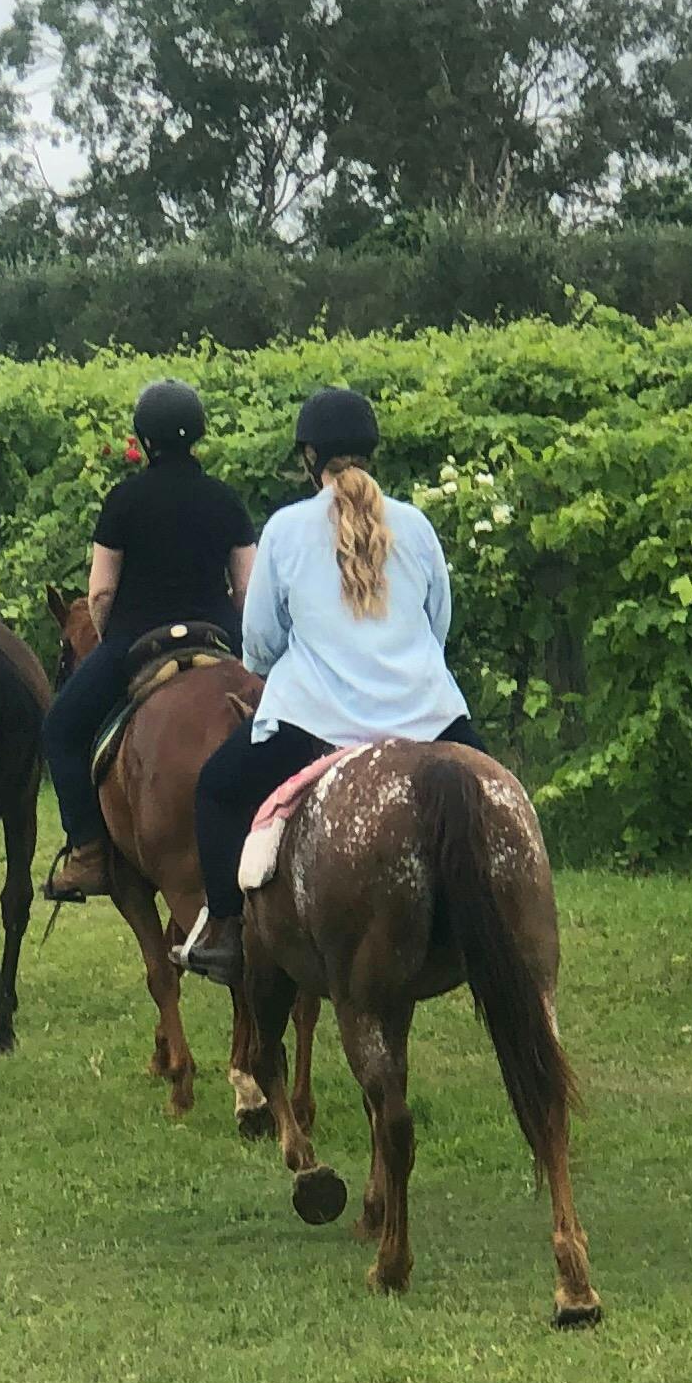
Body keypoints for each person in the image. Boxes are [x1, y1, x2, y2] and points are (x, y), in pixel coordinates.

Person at [178, 388, 483, 983]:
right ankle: (512, 919)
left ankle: (226, 930)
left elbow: (262, 643)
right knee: (501, 802)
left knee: (216, 788)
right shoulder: (416, 526)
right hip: (430, 717)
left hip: (314, 725)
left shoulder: (287, 529)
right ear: (372, 452)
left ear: (308, 455)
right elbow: (438, 626)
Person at [41, 378, 259, 904]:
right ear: (198, 435)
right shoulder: (225, 500)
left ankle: (89, 853)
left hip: (138, 638)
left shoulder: (124, 500)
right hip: (219, 636)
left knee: (61, 730)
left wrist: (111, 629)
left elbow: (100, 593)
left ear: (143, 437)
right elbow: (248, 588)